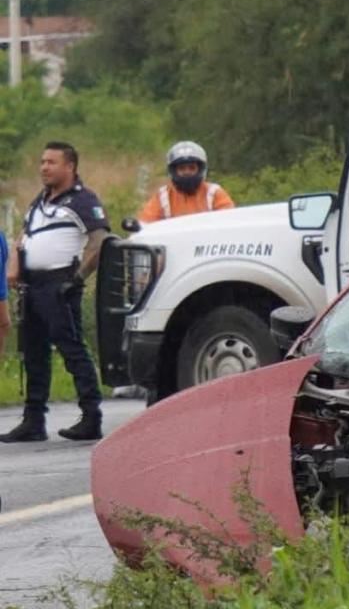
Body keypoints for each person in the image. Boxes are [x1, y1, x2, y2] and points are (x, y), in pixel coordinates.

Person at [1, 142, 110, 443]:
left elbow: (100, 241)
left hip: (59, 284)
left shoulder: (83, 200)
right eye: (42, 162)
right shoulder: (40, 201)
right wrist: (15, 266)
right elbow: (24, 236)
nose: (44, 168)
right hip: (32, 285)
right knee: (33, 353)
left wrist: (76, 280)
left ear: (70, 166)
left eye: (51, 162)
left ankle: (91, 416)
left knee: (72, 349)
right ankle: (33, 420)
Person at [136, 140, 235, 223]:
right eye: (182, 168)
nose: (187, 172)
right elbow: (145, 224)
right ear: (173, 171)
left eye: (192, 168)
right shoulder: (163, 196)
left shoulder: (214, 193)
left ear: (200, 169)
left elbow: (229, 221)